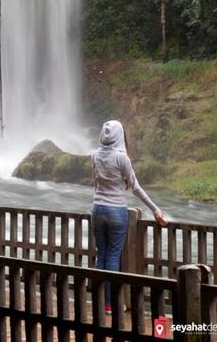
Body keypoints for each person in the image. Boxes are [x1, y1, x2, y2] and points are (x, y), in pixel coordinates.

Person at [91, 120, 168, 312]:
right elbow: (135, 187)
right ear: (119, 136)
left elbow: (96, 185)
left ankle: (101, 301)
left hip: (97, 208)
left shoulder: (94, 155)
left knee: (101, 255)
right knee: (113, 258)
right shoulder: (121, 158)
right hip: (116, 210)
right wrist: (155, 210)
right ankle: (111, 305)